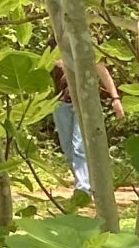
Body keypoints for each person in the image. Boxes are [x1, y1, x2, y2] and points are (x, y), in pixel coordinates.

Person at [49, 56, 122, 199]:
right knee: (68, 148)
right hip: (60, 104)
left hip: (85, 103)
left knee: (79, 146)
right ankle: (86, 182)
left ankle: (83, 189)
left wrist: (115, 98)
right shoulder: (54, 49)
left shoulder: (86, 47)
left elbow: (102, 71)